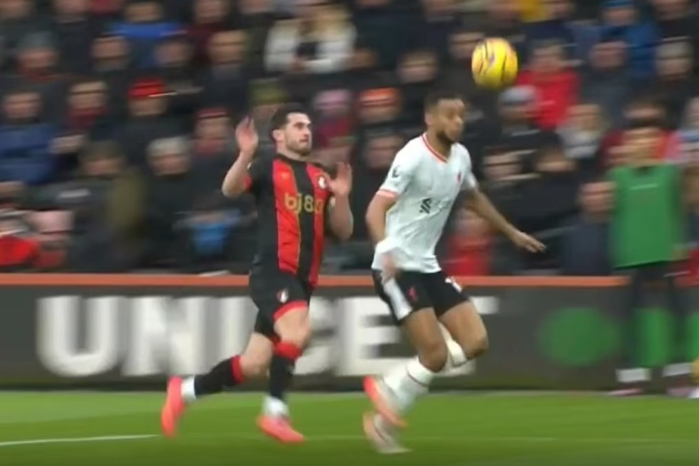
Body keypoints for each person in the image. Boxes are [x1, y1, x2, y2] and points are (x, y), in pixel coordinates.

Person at [363, 89, 545, 453]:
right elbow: (374, 210)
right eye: (449, 115)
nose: (457, 122)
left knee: (476, 342)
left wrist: (511, 232)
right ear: (430, 118)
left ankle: (389, 398)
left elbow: (473, 197)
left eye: (461, 115)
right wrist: (385, 250)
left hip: (427, 265)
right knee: (433, 355)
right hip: (396, 267)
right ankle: (388, 400)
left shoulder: (461, 156)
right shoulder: (412, 156)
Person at [160, 104, 354, 443]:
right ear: (278, 134)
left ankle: (185, 391)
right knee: (298, 332)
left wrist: (343, 198)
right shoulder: (267, 167)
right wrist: (245, 154)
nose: (306, 131)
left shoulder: (320, 176)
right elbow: (230, 190)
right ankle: (275, 413)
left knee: (252, 364)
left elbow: (344, 231)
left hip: (303, 279)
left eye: (308, 126)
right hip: (274, 271)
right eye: (298, 126)